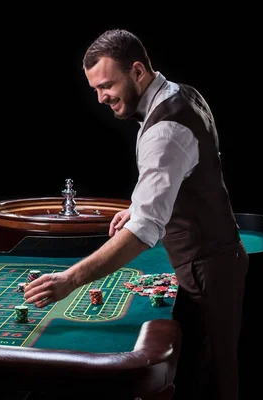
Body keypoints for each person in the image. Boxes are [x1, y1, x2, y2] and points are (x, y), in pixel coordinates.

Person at [23, 29, 248, 400]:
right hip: (214, 258)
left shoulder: (166, 129)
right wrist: (136, 206)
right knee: (210, 369)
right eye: (95, 88)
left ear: (139, 71)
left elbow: (145, 231)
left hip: (208, 266)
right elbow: (183, 171)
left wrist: (70, 279)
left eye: (107, 85)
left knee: (211, 379)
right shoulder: (180, 93)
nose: (101, 97)